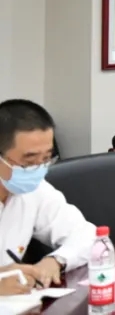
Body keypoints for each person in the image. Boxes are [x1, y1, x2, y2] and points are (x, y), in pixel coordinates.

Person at [0, 100, 96, 291]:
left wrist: (55, 260)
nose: (38, 170)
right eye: (29, 162)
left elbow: (87, 234)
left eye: (45, 159)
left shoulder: (34, 190)